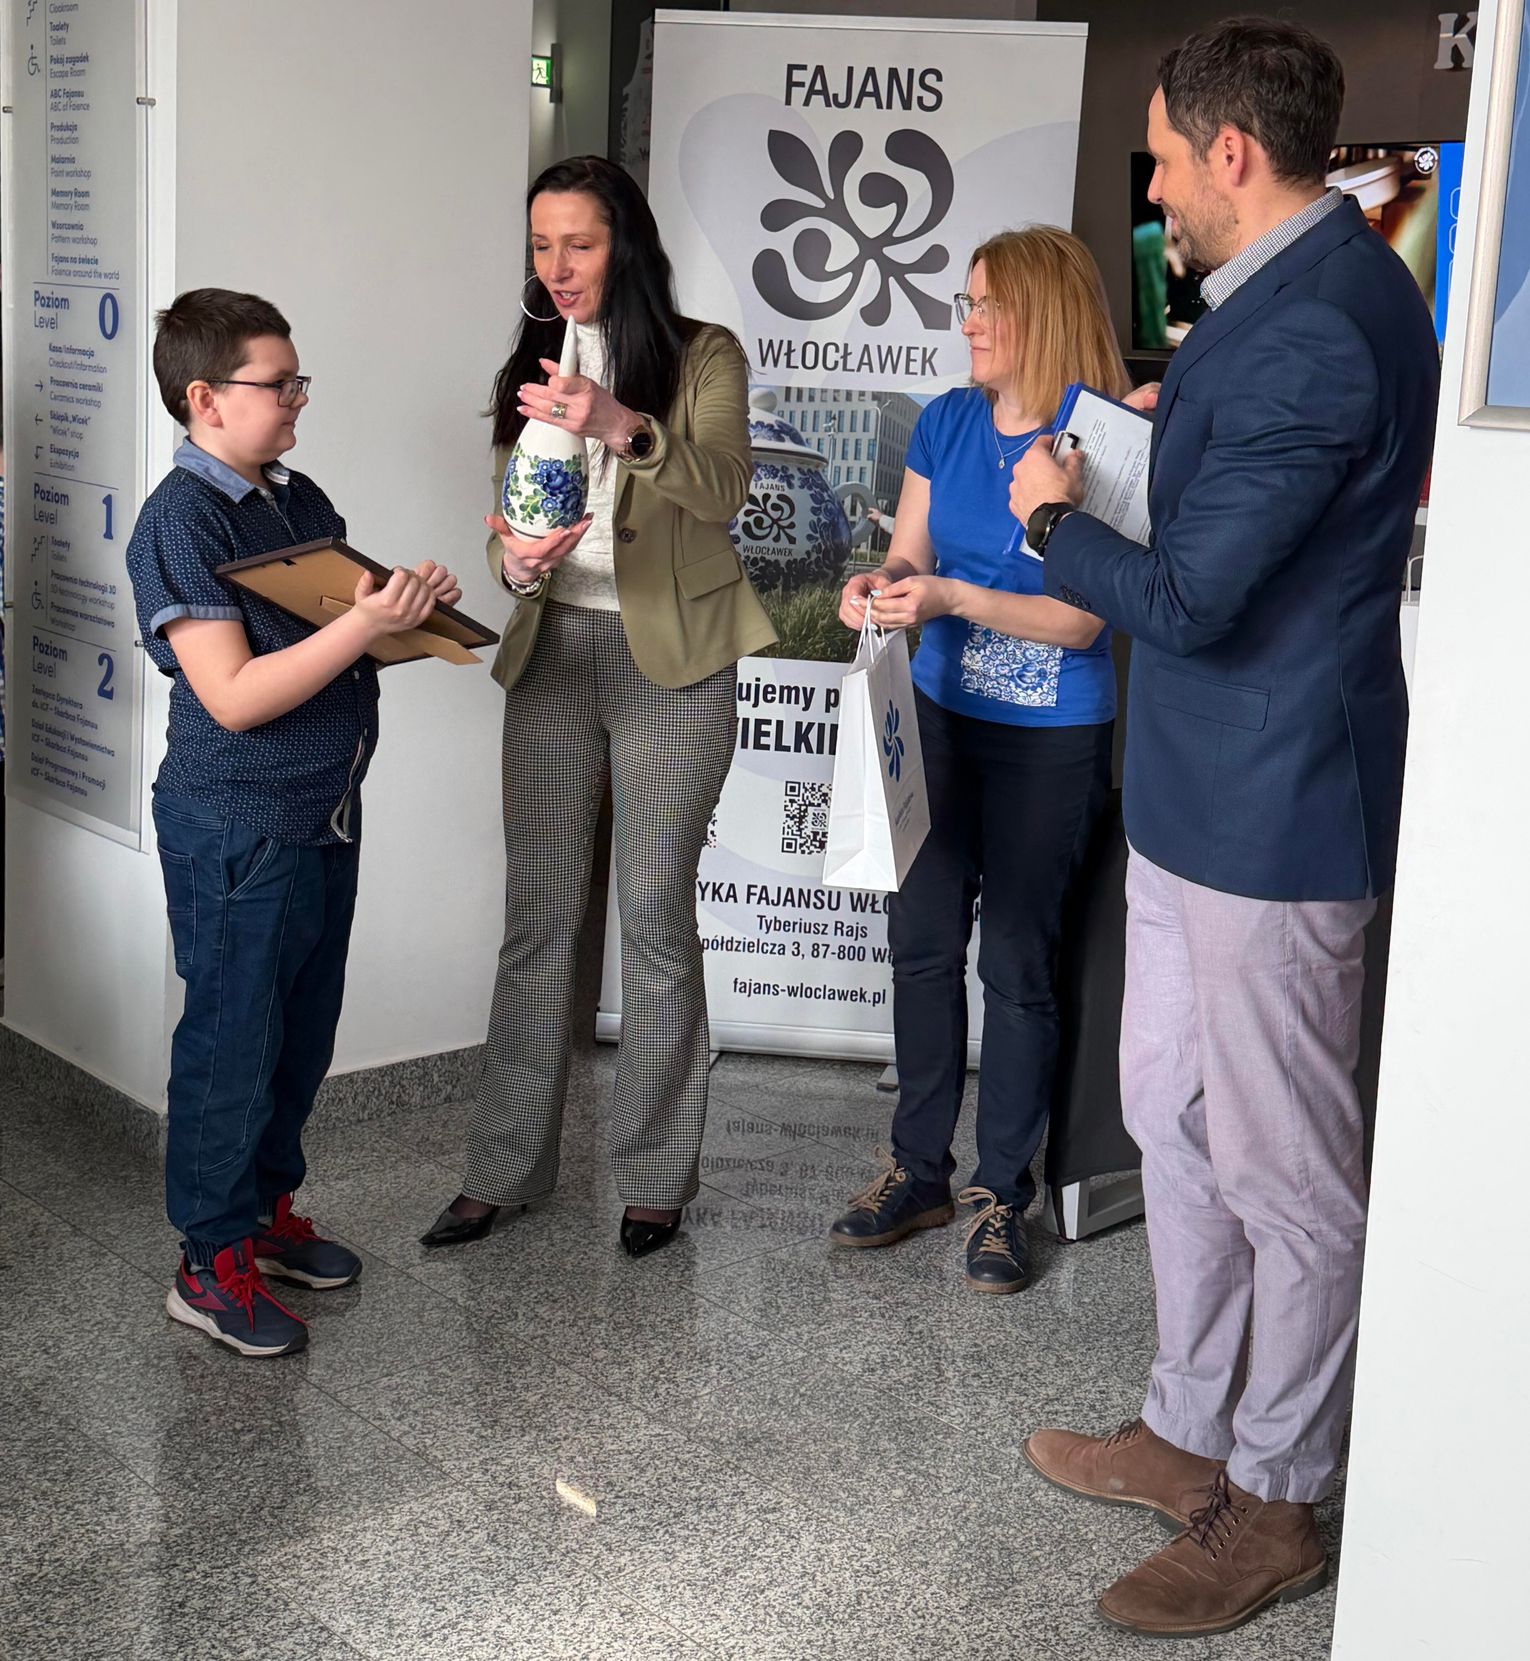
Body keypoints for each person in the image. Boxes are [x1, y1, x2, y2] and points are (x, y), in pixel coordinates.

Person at [1010, 18, 1439, 1637]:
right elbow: (1230, 513)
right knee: (1169, 1110)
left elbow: (1191, 599)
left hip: (1276, 810)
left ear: (1233, 157)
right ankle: (1189, 1425)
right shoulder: (1282, 289)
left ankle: (1275, 1499)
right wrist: (1153, 438)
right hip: (1199, 794)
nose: (1154, 189)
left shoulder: (1321, 324)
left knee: (1287, 1171)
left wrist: (1054, 519)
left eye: (1164, 161)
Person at [421, 156, 775, 1259]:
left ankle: (656, 1178)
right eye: (541, 244)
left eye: (578, 242)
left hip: (676, 658)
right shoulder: (529, 358)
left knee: (656, 912)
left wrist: (622, 420)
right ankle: (501, 1168)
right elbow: (509, 524)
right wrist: (516, 565)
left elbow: (724, 488)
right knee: (538, 917)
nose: (557, 266)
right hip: (555, 655)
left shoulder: (703, 354)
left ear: (626, 243)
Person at [127, 289, 462, 1358]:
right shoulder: (180, 521)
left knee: (298, 1036)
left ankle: (265, 1215)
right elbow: (232, 695)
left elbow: (328, 638)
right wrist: (365, 623)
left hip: (323, 813)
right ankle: (207, 1261)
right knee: (232, 1044)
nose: (298, 399)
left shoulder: (296, 497)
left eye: (297, 380)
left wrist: (405, 616)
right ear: (205, 398)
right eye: (279, 384)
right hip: (237, 825)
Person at [826, 227, 1143, 1293]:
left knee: (1015, 962)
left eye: (986, 304)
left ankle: (1003, 1192)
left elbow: (1082, 622)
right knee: (921, 943)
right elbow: (908, 553)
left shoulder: (1102, 442)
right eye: (966, 302)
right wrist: (879, 587)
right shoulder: (947, 422)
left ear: (1039, 312)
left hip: (1050, 739)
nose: (967, 322)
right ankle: (917, 1171)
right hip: (936, 719)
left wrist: (954, 597)